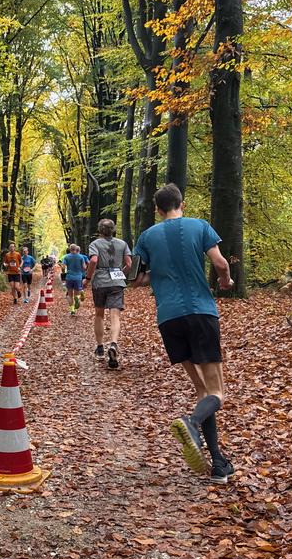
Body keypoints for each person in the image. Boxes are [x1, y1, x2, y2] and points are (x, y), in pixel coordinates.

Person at [132, 184, 236, 483]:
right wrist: (226, 281)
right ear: (182, 204)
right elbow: (220, 263)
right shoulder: (200, 226)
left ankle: (218, 464)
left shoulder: (146, 237)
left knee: (203, 392)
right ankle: (191, 422)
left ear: (157, 209)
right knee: (216, 392)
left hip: (169, 318)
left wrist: (157, 272)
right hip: (200, 312)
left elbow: (138, 279)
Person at [85, 219, 131, 369]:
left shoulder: (95, 244)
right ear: (113, 229)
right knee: (115, 315)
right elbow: (129, 264)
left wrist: (87, 278)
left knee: (99, 314)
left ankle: (100, 348)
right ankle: (113, 344)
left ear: (99, 230)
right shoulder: (122, 244)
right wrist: (120, 274)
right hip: (117, 282)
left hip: (100, 282)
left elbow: (93, 261)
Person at [61, 244, 89, 315]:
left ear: (70, 249)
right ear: (76, 249)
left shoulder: (66, 257)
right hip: (78, 277)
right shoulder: (80, 257)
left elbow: (63, 267)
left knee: (70, 295)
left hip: (69, 277)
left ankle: (72, 310)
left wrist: (63, 273)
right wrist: (84, 270)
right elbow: (84, 267)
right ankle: (77, 298)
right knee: (77, 294)